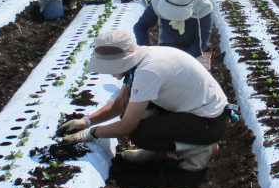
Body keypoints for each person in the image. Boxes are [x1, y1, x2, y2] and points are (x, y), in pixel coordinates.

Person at [57, 30, 231, 172]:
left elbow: (127, 127)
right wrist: (86, 121)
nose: (108, 73)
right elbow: (120, 104)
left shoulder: (148, 71)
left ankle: (201, 149)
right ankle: (155, 151)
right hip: (196, 113)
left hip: (208, 123)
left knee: (138, 133)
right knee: (132, 108)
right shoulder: (141, 62)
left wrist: (91, 133)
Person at [133, 0, 213, 62]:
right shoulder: (157, 1)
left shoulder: (203, 7)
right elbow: (140, 27)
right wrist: (147, 52)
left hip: (193, 52)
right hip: (167, 47)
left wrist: (180, 60)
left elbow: (201, 44)